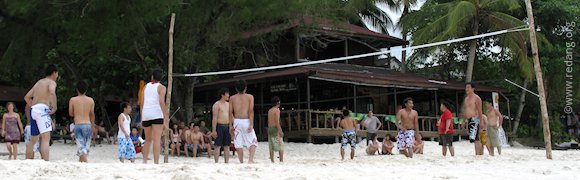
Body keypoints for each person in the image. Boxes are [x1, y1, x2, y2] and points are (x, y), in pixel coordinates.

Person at [24, 64, 58, 161]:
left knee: (33, 139)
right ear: (54, 73)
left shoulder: (38, 82)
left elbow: (27, 97)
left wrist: (34, 106)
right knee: (45, 138)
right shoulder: (51, 82)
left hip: (33, 109)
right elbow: (52, 92)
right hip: (42, 109)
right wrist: (54, 106)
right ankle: (46, 161)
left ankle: (28, 160)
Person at [139, 69, 169, 164]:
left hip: (146, 114)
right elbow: (161, 101)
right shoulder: (161, 87)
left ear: (152, 76)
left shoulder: (146, 87)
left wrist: (142, 116)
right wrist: (165, 115)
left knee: (148, 140)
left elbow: (142, 103)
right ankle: (156, 162)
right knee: (156, 140)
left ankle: (144, 161)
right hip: (156, 113)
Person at [229, 80, 258, 163]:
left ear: (236, 88)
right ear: (245, 88)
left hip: (237, 121)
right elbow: (251, 111)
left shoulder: (232, 98)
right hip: (246, 120)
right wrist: (251, 124)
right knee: (253, 141)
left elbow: (230, 112)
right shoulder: (250, 97)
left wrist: (230, 125)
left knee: (238, 142)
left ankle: (241, 161)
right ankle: (250, 160)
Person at [68, 81, 95, 163]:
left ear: (77, 89)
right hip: (88, 124)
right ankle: (82, 163)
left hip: (78, 124)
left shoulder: (73, 100)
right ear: (86, 90)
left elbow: (71, 113)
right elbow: (92, 114)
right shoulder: (90, 100)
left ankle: (85, 163)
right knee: (86, 146)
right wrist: (93, 125)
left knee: (81, 147)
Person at [461, 83, 484, 155]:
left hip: (475, 118)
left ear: (472, 89)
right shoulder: (466, 99)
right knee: (473, 138)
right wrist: (463, 121)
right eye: (466, 87)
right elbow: (466, 111)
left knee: (477, 138)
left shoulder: (477, 98)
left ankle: (478, 154)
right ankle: (478, 153)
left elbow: (480, 110)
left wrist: (481, 121)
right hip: (469, 119)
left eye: (468, 87)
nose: (466, 89)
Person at [211, 88, 233, 163]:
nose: (228, 95)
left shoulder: (229, 104)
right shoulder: (217, 105)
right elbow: (214, 118)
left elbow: (231, 116)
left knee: (227, 146)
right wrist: (214, 130)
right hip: (219, 125)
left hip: (227, 125)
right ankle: (216, 162)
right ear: (222, 95)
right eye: (227, 94)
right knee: (217, 145)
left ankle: (226, 162)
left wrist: (231, 126)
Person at [267, 96, 284, 163]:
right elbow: (277, 122)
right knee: (280, 144)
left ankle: (272, 160)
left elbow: (268, 121)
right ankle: (281, 160)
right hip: (275, 128)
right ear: (278, 102)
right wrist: (280, 131)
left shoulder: (270, 110)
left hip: (270, 128)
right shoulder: (277, 110)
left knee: (271, 144)